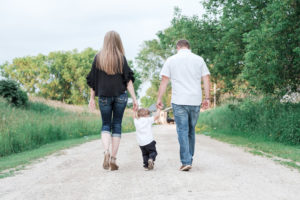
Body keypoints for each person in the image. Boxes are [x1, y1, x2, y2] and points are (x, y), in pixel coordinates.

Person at [86, 31, 138, 171]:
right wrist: (134, 99)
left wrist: (91, 98)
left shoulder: (98, 58)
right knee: (116, 125)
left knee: (105, 125)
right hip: (120, 96)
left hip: (103, 97)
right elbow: (128, 81)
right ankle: (114, 158)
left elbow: (93, 81)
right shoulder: (121, 58)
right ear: (118, 41)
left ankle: (106, 152)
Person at [156, 39, 211, 171]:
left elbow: (164, 81)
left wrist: (159, 98)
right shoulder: (199, 59)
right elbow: (206, 77)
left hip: (179, 100)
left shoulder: (171, 60)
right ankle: (188, 159)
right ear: (188, 47)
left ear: (178, 47)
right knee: (191, 130)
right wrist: (207, 98)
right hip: (195, 100)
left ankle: (186, 161)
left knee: (182, 130)